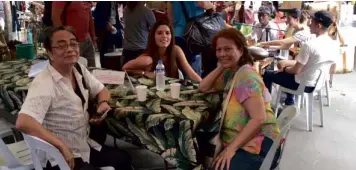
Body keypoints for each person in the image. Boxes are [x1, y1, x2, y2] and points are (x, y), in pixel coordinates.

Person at [15, 26, 132, 170]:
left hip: (82, 145)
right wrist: (60, 145)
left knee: (123, 159)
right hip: (58, 157)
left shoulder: (77, 69)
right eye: (61, 45)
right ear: (50, 53)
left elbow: (102, 90)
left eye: (73, 43)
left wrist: (102, 103)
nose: (70, 49)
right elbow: (23, 122)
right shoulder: (44, 82)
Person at [199, 28, 280, 170]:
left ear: (241, 50)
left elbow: (259, 119)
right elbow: (203, 87)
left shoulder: (245, 76)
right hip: (244, 137)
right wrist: (221, 66)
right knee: (200, 149)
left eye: (228, 49)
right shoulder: (232, 72)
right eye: (219, 50)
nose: (222, 54)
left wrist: (231, 149)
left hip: (260, 144)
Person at [263, 10, 338, 106]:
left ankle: (266, 106)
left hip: (302, 84)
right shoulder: (333, 45)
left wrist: (285, 69)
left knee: (268, 74)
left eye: (312, 22)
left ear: (318, 26)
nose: (309, 24)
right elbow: (332, 69)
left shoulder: (310, 45)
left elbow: (296, 70)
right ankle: (289, 103)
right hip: (317, 84)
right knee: (286, 69)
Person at [122, 20, 202, 82]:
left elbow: (191, 73)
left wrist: (204, 86)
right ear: (153, 37)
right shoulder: (147, 59)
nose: (164, 36)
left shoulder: (176, 50)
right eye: (159, 33)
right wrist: (144, 73)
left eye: (167, 33)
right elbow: (124, 68)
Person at [52, 1, 97, 67]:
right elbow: (55, 18)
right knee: (74, 70)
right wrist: (65, 39)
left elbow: (90, 18)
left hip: (87, 39)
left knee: (91, 70)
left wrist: (93, 37)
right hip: (72, 41)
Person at [94, 1, 123, 68]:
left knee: (118, 50)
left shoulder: (114, 3)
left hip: (115, 27)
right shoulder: (103, 3)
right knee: (106, 52)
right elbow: (98, 18)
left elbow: (115, 16)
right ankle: (106, 69)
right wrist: (106, 24)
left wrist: (120, 27)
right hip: (105, 30)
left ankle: (117, 68)